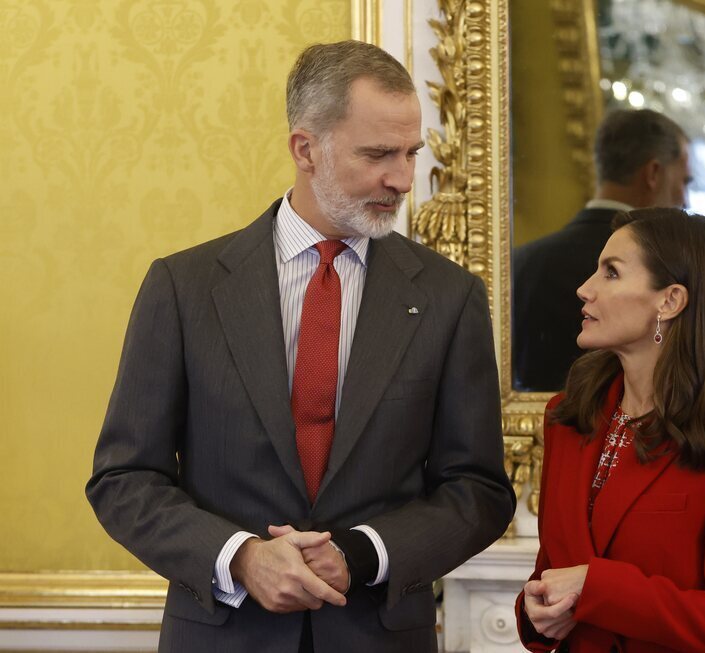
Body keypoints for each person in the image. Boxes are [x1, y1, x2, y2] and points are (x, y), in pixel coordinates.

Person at [86, 41, 515, 653]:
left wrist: (363, 554)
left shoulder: (450, 297)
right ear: (305, 148)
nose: (401, 179)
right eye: (377, 154)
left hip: (379, 635)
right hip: (224, 635)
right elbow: (124, 478)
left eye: (410, 153)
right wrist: (240, 559)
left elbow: (478, 490)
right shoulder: (185, 287)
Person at [516, 208, 705, 652]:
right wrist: (535, 609)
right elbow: (552, 571)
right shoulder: (567, 416)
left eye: (612, 273)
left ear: (670, 301)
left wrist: (596, 588)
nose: (585, 289)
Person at [512, 109, 691, 392]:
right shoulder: (666, 263)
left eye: (611, 272)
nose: (684, 198)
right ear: (654, 173)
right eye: (684, 181)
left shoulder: (520, 259)